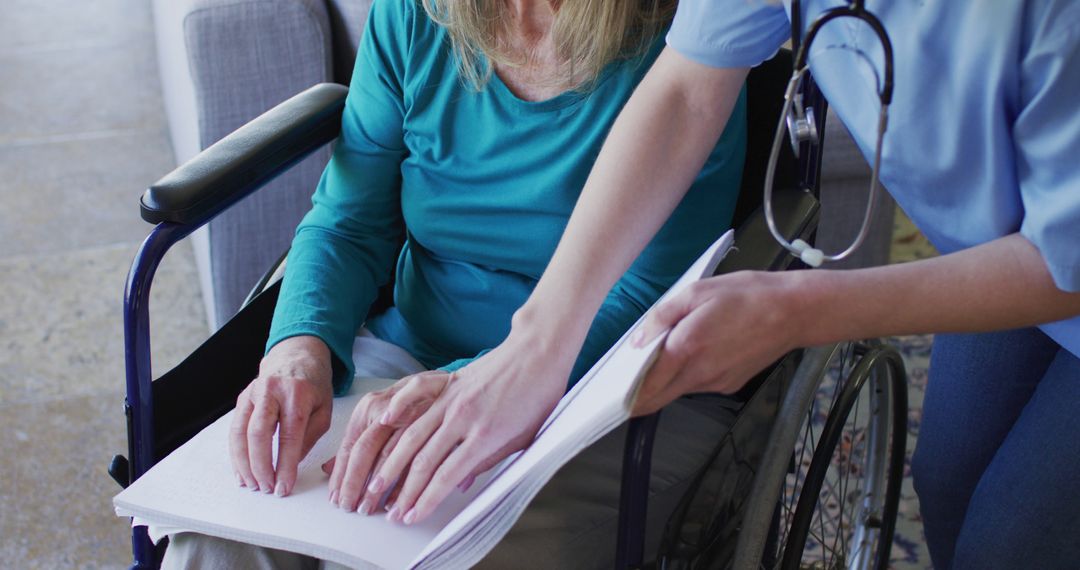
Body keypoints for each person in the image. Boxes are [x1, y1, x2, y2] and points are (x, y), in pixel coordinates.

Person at [375, 0, 1080, 568]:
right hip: (1004, 235)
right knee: (949, 481)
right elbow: (685, 92)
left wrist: (801, 308)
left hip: (1061, 260)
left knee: (1012, 541)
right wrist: (539, 341)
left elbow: (1068, 266)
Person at [162, 0, 746, 567]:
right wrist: (298, 351)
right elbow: (348, 219)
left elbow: (650, 295)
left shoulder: (691, 41)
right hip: (412, 356)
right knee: (217, 539)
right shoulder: (416, 13)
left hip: (603, 384)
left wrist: (476, 386)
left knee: (407, 549)